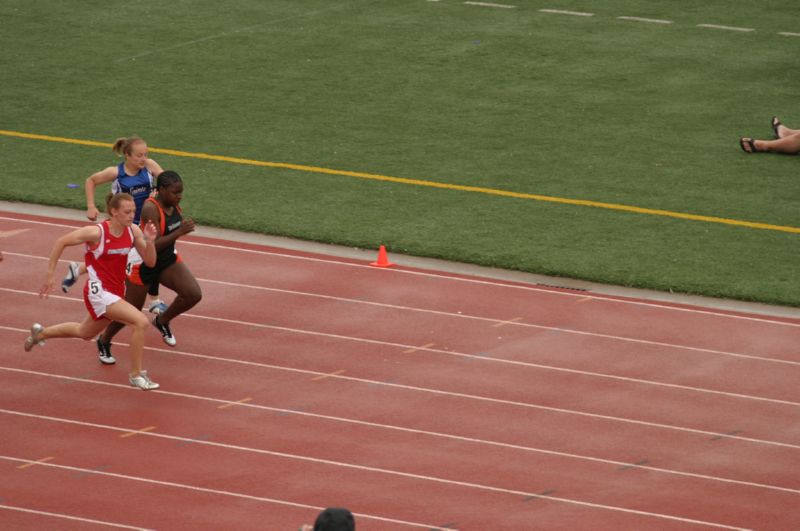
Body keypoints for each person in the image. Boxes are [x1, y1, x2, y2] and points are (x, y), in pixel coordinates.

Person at [24, 192, 161, 390]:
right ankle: (136, 375)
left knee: (84, 332)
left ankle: (39, 335)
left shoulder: (133, 231)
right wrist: (50, 274)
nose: (132, 215)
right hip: (98, 292)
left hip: (115, 291)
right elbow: (61, 241)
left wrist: (150, 241)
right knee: (140, 322)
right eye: (127, 211)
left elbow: (150, 261)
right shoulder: (96, 233)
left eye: (133, 211)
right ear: (114, 212)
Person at [96, 171, 201, 364]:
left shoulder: (173, 204)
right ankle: (104, 340)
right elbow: (152, 243)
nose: (179, 196)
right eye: (175, 192)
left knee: (193, 293)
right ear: (161, 190)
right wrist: (180, 232)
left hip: (166, 259)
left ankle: (161, 321)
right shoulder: (150, 209)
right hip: (144, 262)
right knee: (131, 312)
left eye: (181, 192)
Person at [62, 136, 168, 314]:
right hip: (124, 226)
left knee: (143, 257)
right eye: (139, 155)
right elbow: (91, 180)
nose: (144, 158)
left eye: (146, 154)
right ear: (127, 155)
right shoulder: (116, 172)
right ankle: (154, 300)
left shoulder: (149, 166)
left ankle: (79, 268)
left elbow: (166, 179)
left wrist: (161, 188)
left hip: (144, 224)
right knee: (133, 260)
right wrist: (90, 206)